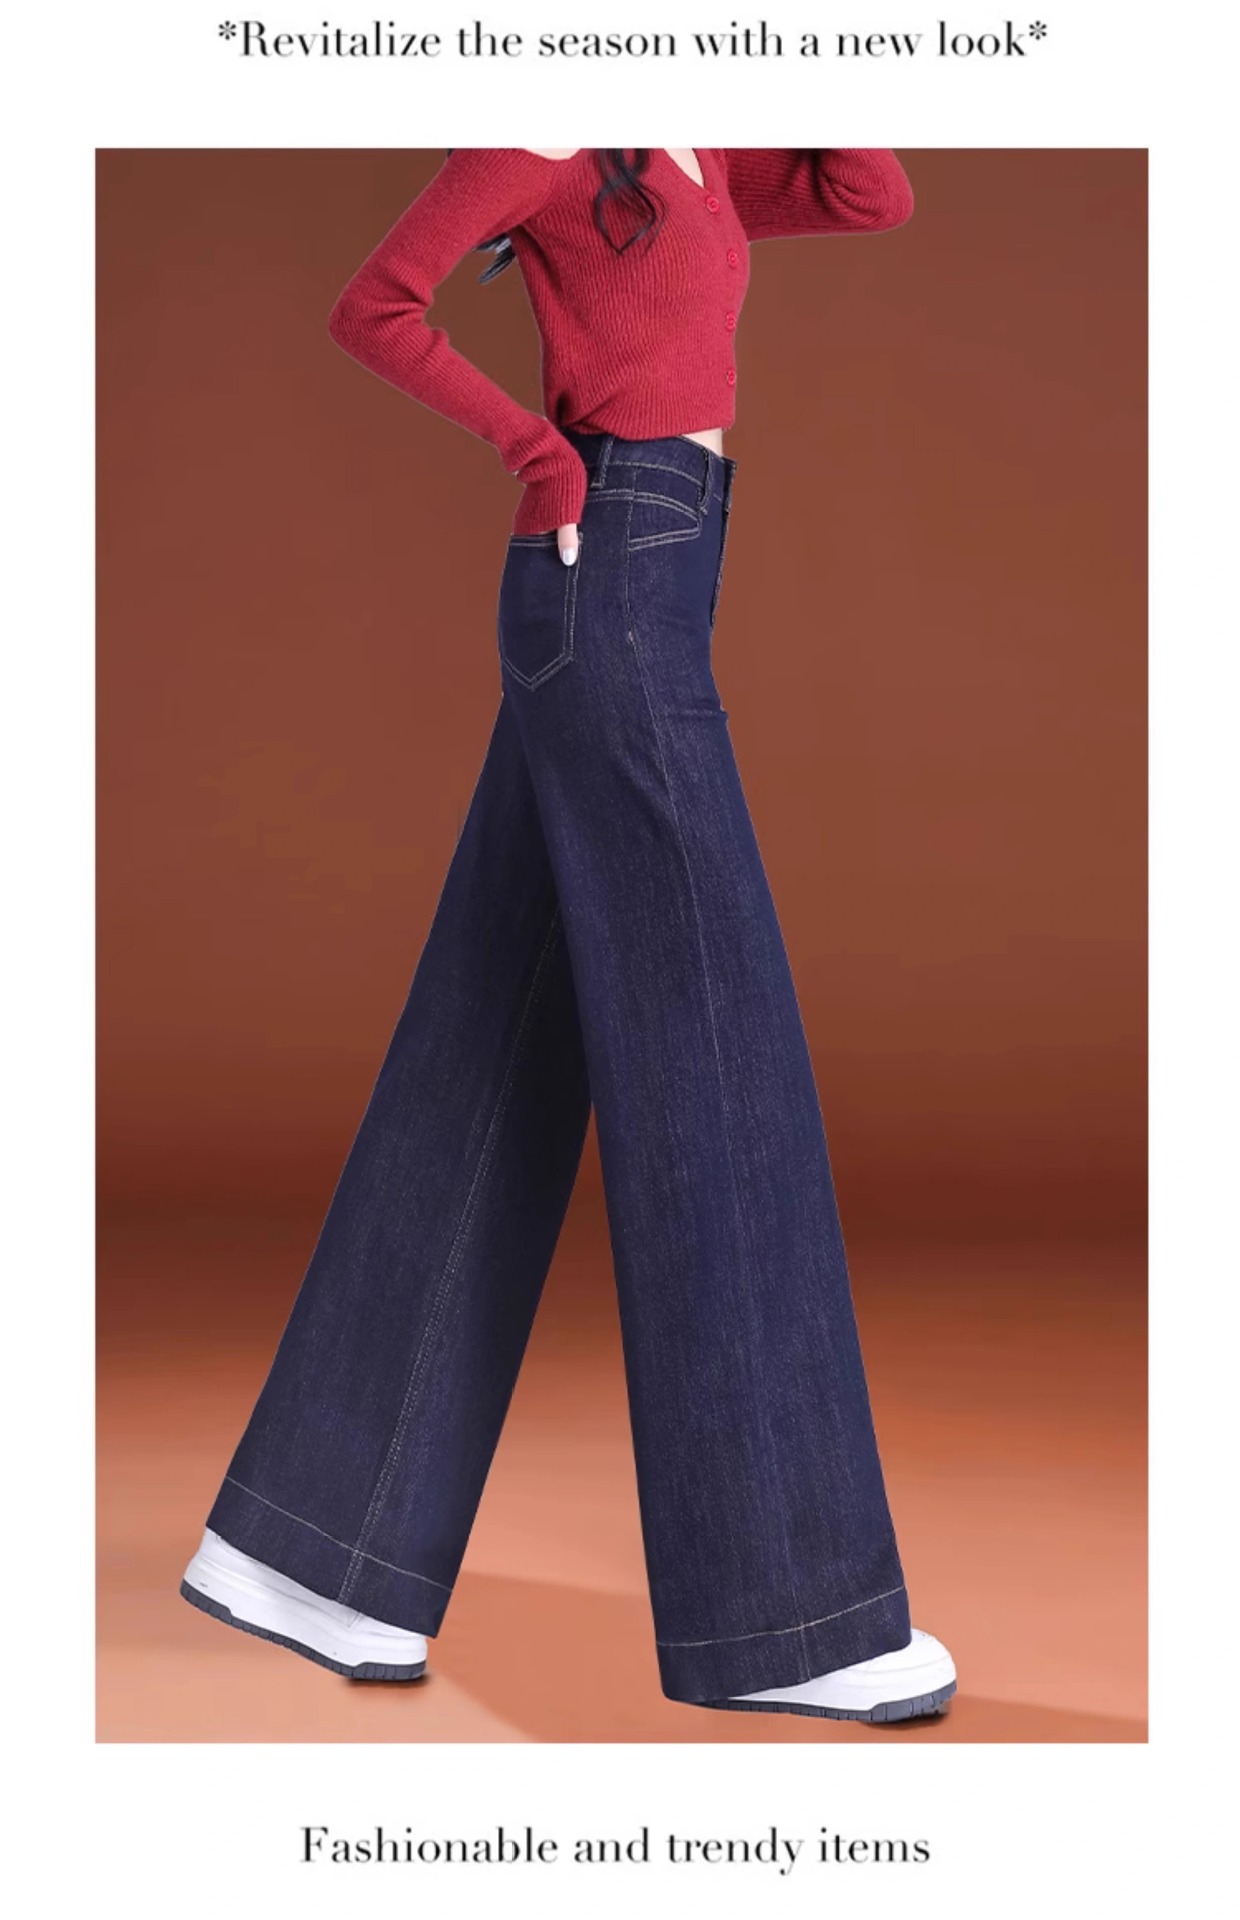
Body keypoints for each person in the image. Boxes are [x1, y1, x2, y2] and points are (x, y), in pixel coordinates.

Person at [180, 148, 957, 1725]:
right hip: (607, 576)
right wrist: (538, 456)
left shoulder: (699, 148)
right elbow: (375, 306)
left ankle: (310, 1556)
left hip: (663, 572)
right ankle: (792, 1614)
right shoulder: (546, 130)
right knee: (719, 1062)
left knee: (494, 1052)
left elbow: (869, 192)